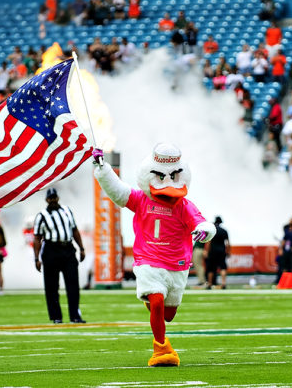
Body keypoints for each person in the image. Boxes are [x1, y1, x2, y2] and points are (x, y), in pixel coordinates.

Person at [92, 144, 216, 367]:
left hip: (176, 264)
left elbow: (201, 222)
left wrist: (204, 230)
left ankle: (153, 306)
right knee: (157, 300)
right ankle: (160, 348)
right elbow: (119, 192)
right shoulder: (141, 199)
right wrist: (103, 169)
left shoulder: (183, 205)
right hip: (148, 260)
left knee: (168, 314)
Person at [33, 187, 86, 324]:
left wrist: (81, 248)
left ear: (58, 198)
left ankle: (75, 315)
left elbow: (74, 230)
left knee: (73, 283)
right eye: (50, 198)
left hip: (68, 248)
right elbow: (37, 238)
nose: (53, 200)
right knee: (51, 286)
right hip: (51, 249)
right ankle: (56, 316)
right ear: (46, 200)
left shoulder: (67, 211)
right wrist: (36, 258)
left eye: (54, 198)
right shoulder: (42, 216)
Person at [205, 216, 231, 289]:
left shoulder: (213, 231)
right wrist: (228, 251)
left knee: (211, 268)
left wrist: (207, 251)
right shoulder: (224, 231)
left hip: (213, 251)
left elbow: (209, 242)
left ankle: (209, 284)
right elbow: (228, 243)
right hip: (221, 251)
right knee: (223, 267)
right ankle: (223, 283)